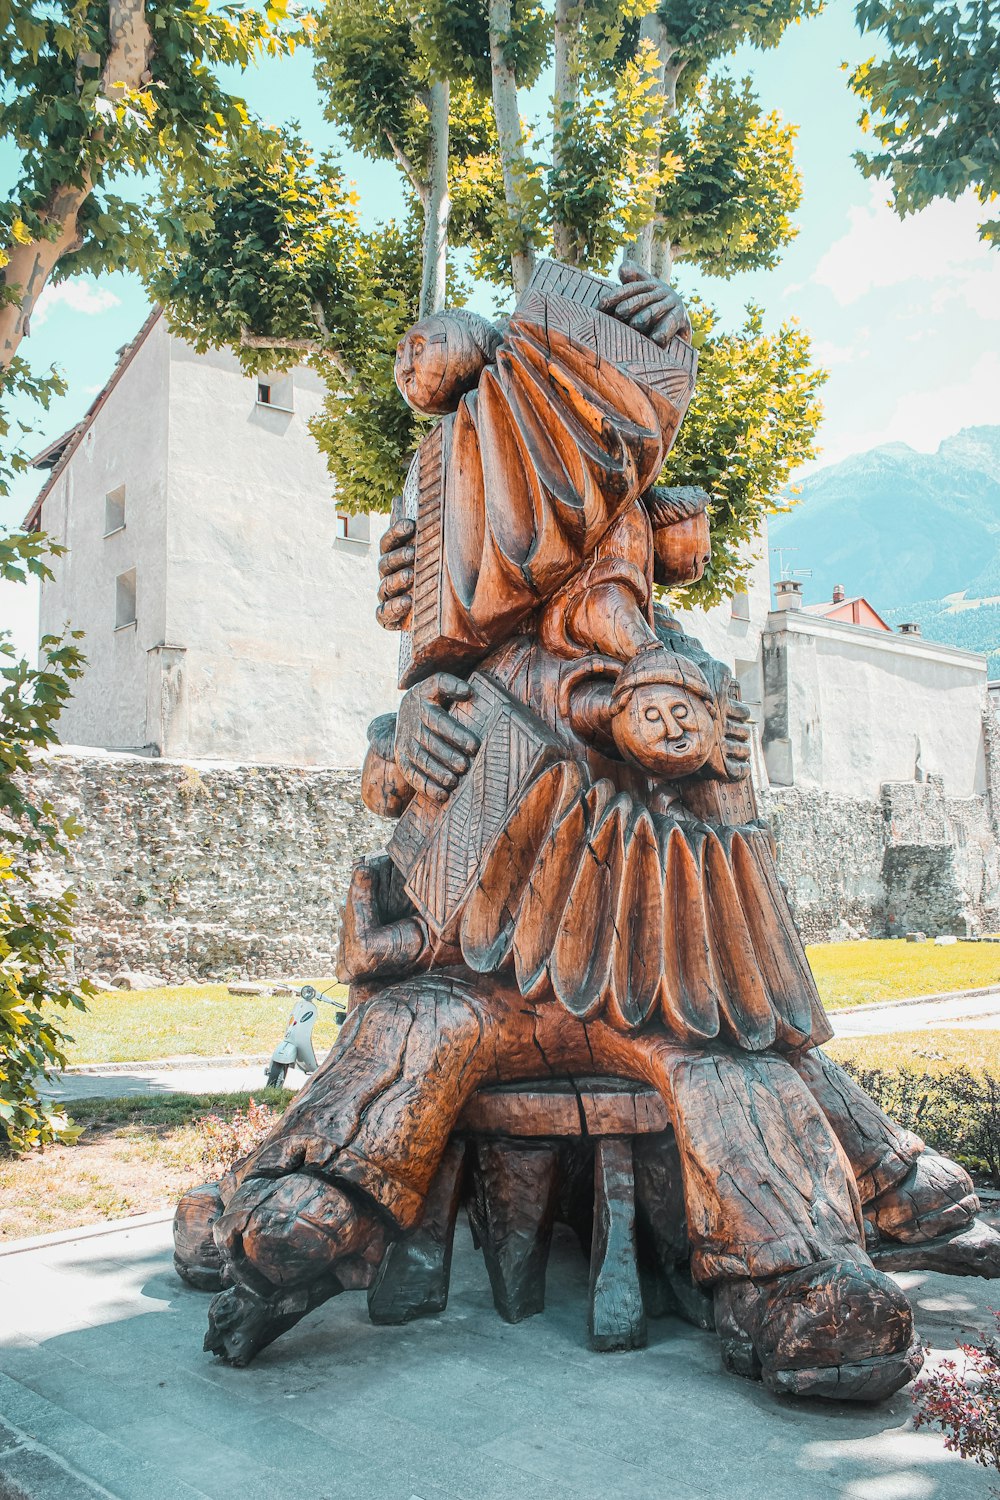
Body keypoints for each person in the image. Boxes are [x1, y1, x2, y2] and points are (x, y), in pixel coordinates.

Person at [198, 264, 997, 1396]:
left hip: (659, 996)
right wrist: (405, 734)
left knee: (733, 1077)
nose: (580, 575)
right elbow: (396, 765)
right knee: (410, 1038)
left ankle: (799, 1280)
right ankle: (303, 1210)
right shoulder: (457, 675)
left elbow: (727, 842)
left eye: (604, 539)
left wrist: (686, 736)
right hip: (468, 981)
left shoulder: (673, 682)